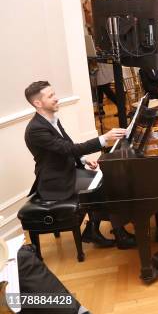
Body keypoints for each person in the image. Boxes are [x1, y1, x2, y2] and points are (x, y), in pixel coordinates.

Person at [23, 81, 136, 248]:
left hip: (66, 170)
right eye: (51, 96)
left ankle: (94, 231)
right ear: (37, 103)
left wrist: (82, 159)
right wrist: (104, 138)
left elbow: (64, 147)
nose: (56, 98)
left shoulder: (50, 119)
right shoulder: (36, 129)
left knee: (104, 182)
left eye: (54, 93)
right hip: (55, 181)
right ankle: (118, 235)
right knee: (105, 187)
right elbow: (67, 148)